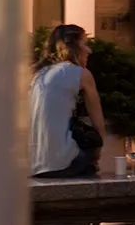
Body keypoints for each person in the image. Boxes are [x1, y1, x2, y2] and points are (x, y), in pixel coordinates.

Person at [30, 24, 106, 178]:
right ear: (74, 46)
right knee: (89, 152)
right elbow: (99, 126)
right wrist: (96, 155)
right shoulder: (81, 74)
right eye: (85, 44)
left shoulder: (37, 74)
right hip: (60, 162)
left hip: (32, 164)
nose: (89, 50)